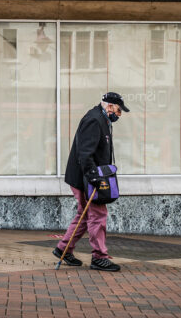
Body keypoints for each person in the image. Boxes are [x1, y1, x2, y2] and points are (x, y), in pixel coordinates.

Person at [52, 91, 129, 272]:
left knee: (85, 215)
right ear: (109, 106)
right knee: (97, 215)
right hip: (86, 178)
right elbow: (85, 154)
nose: (119, 115)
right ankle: (99, 257)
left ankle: (64, 248)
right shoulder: (94, 120)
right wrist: (95, 178)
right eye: (118, 110)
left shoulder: (101, 119)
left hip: (84, 176)